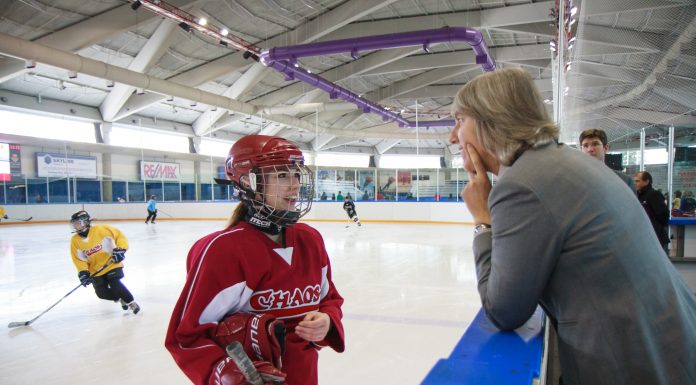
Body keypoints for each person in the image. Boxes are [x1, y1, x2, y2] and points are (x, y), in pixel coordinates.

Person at [449, 68, 696, 385]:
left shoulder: (521, 185)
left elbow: (503, 310)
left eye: (459, 121)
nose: (453, 137)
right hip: (673, 346)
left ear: (490, 120)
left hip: (634, 366)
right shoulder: (566, 161)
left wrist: (483, 221)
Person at [165, 135, 345, 385]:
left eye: (295, 174)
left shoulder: (310, 240)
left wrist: (327, 320)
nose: (294, 185)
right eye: (281, 175)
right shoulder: (224, 251)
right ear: (249, 182)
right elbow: (186, 337)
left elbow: (329, 299)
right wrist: (225, 373)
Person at [69, 210, 140, 314]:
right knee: (101, 294)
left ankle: (131, 303)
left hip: (111, 263)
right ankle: (121, 298)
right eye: (73, 223)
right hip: (95, 270)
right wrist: (83, 272)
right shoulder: (75, 240)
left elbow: (120, 237)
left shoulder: (103, 229)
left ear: (85, 222)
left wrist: (121, 249)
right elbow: (78, 259)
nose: (75, 226)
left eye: (77, 223)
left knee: (115, 283)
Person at [633, 171, 670, 254]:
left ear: (646, 181)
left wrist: (655, 227)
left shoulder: (654, 194)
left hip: (656, 237)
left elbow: (663, 214)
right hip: (644, 236)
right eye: (634, 181)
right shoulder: (639, 196)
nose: (635, 183)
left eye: (637, 181)